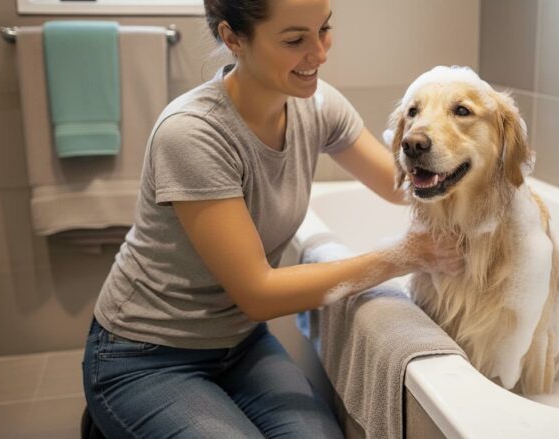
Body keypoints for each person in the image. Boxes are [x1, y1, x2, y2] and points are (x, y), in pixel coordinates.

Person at [81, 0, 463, 437]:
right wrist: (404, 256)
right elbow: (259, 295)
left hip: (240, 346)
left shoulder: (317, 106)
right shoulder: (192, 134)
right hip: (146, 355)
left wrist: (477, 163)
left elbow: (401, 186)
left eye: (324, 29)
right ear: (232, 39)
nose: (319, 53)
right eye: (295, 39)